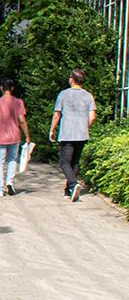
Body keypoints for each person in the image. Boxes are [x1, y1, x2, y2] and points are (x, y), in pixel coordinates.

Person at [49, 68, 96, 202]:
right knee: (74, 162)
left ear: (72, 79)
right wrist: (85, 126)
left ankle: (73, 184)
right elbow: (92, 116)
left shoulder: (63, 94)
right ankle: (69, 190)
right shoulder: (88, 96)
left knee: (64, 162)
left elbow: (57, 115)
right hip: (82, 134)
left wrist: (52, 130)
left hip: (67, 133)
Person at [0, 78, 30, 197]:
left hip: (0, 136)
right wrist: (27, 136)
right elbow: (21, 120)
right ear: (12, 88)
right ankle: (10, 181)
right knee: (12, 159)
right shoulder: (18, 102)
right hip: (14, 136)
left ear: (1, 88)